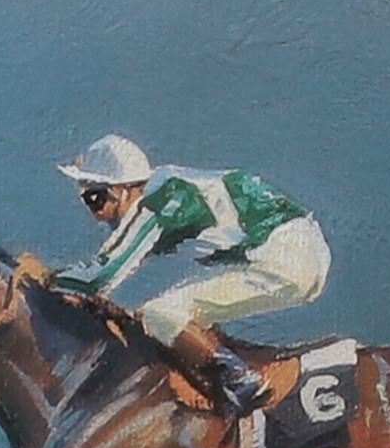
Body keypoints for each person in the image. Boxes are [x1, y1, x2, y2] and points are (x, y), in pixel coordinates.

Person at [53, 135, 330, 416]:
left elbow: (103, 275)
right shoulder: (171, 186)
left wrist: (46, 281)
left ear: (123, 189)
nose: (97, 215)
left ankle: (240, 381)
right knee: (180, 318)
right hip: (287, 249)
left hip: (284, 257)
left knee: (161, 313)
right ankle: (227, 369)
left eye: (95, 199)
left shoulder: (157, 202)